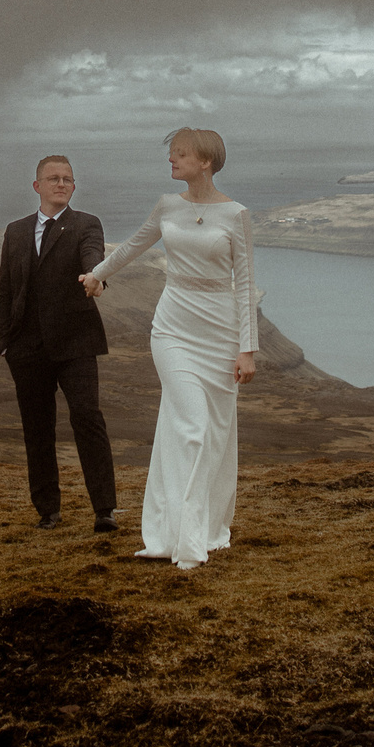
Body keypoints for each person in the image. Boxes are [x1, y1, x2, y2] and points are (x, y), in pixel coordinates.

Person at [77, 126, 254, 571]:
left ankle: (205, 529)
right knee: (192, 426)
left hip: (221, 333)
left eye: (180, 153)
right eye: (172, 153)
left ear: (206, 161)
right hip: (172, 329)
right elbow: (132, 246)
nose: (171, 160)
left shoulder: (236, 215)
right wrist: (97, 274)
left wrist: (247, 349)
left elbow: (246, 283)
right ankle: (180, 539)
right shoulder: (167, 205)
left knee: (213, 432)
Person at [0, 154, 118, 532]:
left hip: (76, 343)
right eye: (53, 178)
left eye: (67, 179)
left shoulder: (86, 224)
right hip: (26, 350)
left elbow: (92, 256)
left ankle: (104, 511)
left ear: (74, 186)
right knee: (37, 429)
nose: (61, 184)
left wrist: (94, 276)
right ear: (37, 186)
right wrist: (5, 342)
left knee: (87, 419)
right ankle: (48, 511)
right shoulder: (16, 231)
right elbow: (5, 290)